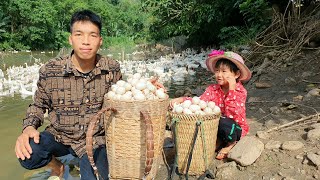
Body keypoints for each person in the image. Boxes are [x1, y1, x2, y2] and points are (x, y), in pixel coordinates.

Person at [14, 9, 165, 179]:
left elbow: (122, 93)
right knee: (28, 153)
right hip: (60, 137)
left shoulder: (111, 68)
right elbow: (38, 105)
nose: (86, 41)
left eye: (92, 35)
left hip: (96, 141)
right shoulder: (51, 70)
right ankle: (57, 166)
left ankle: (86, 163)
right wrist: (28, 128)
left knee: (94, 177)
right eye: (79, 34)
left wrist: (145, 87)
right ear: (70, 39)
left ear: (100, 41)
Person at [170, 49, 252, 160]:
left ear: (236, 74)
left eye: (224, 71)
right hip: (216, 124)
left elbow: (234, 115)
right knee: (207, 121)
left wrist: (232, 90)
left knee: (223, 122)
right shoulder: (212, 89)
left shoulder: (240, 92)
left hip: (234, 127)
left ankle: (231, 143)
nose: (218, 75)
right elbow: (200, 102)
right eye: (217, 71)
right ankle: (219, 140)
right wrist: (182, 99)